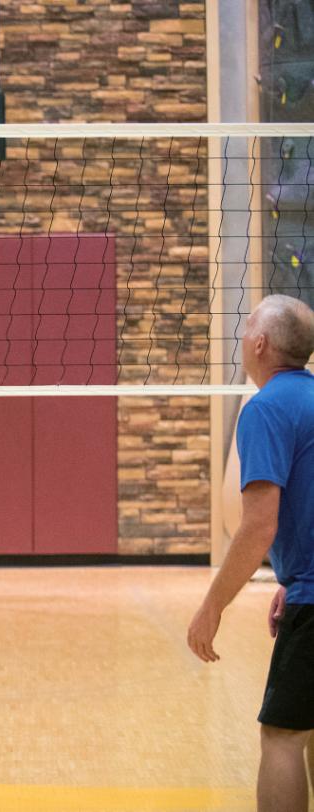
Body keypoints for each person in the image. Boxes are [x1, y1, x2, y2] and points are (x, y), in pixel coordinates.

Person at [188, 293, 314, 812]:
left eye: (244, 328)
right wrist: (291, 577)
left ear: (260, 343)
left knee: (283, 737)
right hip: (305, 586)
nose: (240, 336)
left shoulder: (265, 409)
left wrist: (211, 606)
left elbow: (258, 525)